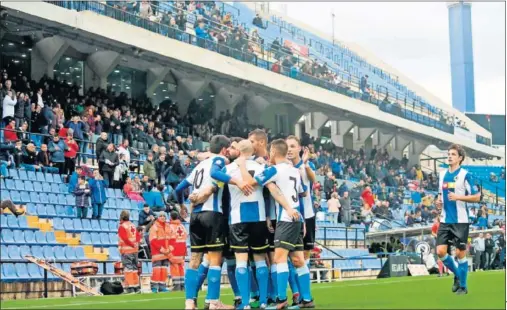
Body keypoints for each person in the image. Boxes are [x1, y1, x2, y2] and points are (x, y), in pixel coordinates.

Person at [174, 135, 252, 310]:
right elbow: (215, 174)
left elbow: (178, 188)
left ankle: (189, 302)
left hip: (196, 216)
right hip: (213, 215)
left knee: (195, 259)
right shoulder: (219, 160)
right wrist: (238, 181)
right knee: (215, 259)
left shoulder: (199, 166)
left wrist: (181, 205)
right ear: (224, 150)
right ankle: (213, 301)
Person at [240, 139, 314, 309]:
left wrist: (244, 166)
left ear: (273, 151)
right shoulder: (294, 171)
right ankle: (307, 299)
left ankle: (281, 300)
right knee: (298, 260)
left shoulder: (273, 170)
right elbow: (303, 192)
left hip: (286, 219)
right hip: (296, 218)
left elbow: (251, 182)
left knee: (279, 259)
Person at [435, 144, 480, 295]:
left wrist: (458, 197)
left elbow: (477, 197)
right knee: (440, 252)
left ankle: (463, 286)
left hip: (460, 221)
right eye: (448, 154)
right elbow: (440, 195)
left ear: (460, 158)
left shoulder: (465, 175)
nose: (449, 156)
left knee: (461, 253)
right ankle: (458, 276)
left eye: (453, 154)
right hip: (445, 220)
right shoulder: (441, 175)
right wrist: (438, 202)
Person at [118, 210, 141, 294]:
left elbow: (124, 238)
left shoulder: (122, 226)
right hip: (135, 251)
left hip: (127, 250)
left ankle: (130, 287)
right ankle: (136, 287)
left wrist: (131, 244)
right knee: (135, 269)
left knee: (128, 269)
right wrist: (135, 244)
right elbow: (138, 237)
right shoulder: (132, 225)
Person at [149, 211, 172, 293]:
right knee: (157, 270)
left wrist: (169, 248)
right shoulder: (154, 227)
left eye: (164, 216)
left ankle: (162, 287)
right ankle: (154, 287)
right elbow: (153, 241)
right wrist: (161, 249)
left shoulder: (168, 227)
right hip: (157, 253)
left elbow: (172, 239)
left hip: (166, 253)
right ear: (158, 217)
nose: (162, 217)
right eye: (161, 216)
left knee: (164, 270)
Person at [168, 211, 188, 291]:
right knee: (181, 267)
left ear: (171, 217)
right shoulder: (182, 226)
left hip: (174, 249)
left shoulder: (170, 227)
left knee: (174, 267)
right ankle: (182, 285)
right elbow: (186, 236)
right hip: (182, 248)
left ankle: (176, 286)